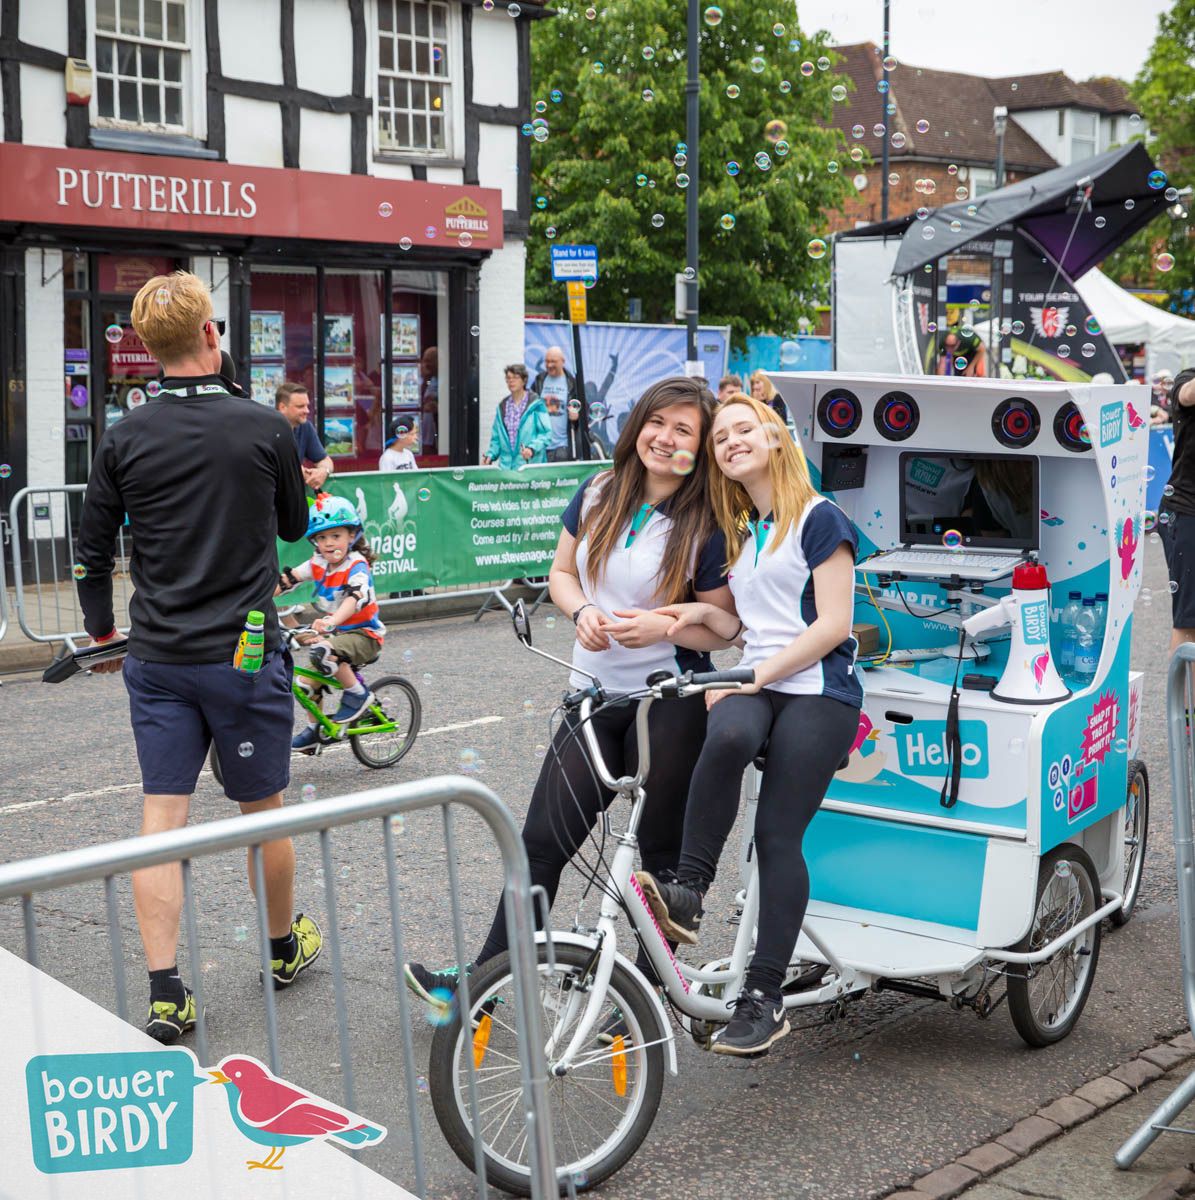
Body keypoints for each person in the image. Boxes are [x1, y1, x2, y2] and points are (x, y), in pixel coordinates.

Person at [404, 376, 736, 1012]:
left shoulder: (711, 519)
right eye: (657, 422)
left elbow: (726, 625)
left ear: (701, 446)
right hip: (589, 697)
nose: (665, 439)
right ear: (637, 423)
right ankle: (485, 984)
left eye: (684, 431)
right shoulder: (598, 491)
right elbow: (559, 573)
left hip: (668, 703)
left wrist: (666, 621)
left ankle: (645, 1006)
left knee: (659, 864)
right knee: (539, 844)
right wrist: (581, 608)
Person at [73, 270, 320, 1044]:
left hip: (159, 653)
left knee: (163, 816)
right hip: (243, 652)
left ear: (147, 349)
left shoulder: (125, 434)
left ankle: (166, 990)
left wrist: (102, 630)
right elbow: (292, 524)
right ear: (212, 334)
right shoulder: (263, 426)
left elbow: (89, 548)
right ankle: (282, 947)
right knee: (261, 809)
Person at [637, 392, 861, 1057]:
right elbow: (744, 625)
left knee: (775, 836)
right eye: (719, 438)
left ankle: (763, 997)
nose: (728, 441)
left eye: (743, 430)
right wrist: (697, 619)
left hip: (819, 688)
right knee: (727, 734)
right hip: (757, 678)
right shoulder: (743, 530)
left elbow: (833, 625)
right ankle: (687, 892)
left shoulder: (821, 518)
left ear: (774, 440)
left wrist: (758, 674)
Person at [278, 495, 386, 744]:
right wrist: (253, 598)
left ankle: (357, 695)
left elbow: (354, 598)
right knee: (304, 685)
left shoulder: (357, 565)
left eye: (335, 536)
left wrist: (330, 622)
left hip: (365, 636)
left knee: (322, 650)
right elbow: (288, 580)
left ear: (352, 535)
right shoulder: (318, 562)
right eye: (322, 538)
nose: (328, 543)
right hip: (338, 636)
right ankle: (315, 730)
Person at [1159, 369, 1195, 658]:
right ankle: (1183, 705)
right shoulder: (1187, 381)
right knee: (1189, 622)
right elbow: (1187, 394)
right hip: (1186, 513)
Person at [482, 363, 552, 469]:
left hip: (529, 468)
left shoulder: (537, 405)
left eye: (515, 377)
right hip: (506, 469)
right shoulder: (502, 407)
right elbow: (496, 439)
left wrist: (531, 449)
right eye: (508, 378)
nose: (511, 381)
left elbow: (546, 434)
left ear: (524, 380)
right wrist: (490, 455)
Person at [275, 382, 334, 490]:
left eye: (307, 405)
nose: (307, 411)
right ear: (282, 407)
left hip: (294, 497)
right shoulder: (267, 428)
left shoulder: (305, 427)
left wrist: (323, 471)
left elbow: (325, 460)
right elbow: (278, 467)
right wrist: (299, 472)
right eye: (300, 406)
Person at [532, 345, 583, 462]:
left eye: (553, 361)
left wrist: (577, 417)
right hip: (540, 446)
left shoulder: (572, 383)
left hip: (562, 447)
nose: (549, 365)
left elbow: (584, 411)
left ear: (563, 362)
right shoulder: (539, 380)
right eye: (547, 361)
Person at [420, 346, 439, 454]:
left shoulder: (442, 379)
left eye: (428, 361)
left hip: (434, 423)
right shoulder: (428, 379)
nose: (425, 365)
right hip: (425, 422)